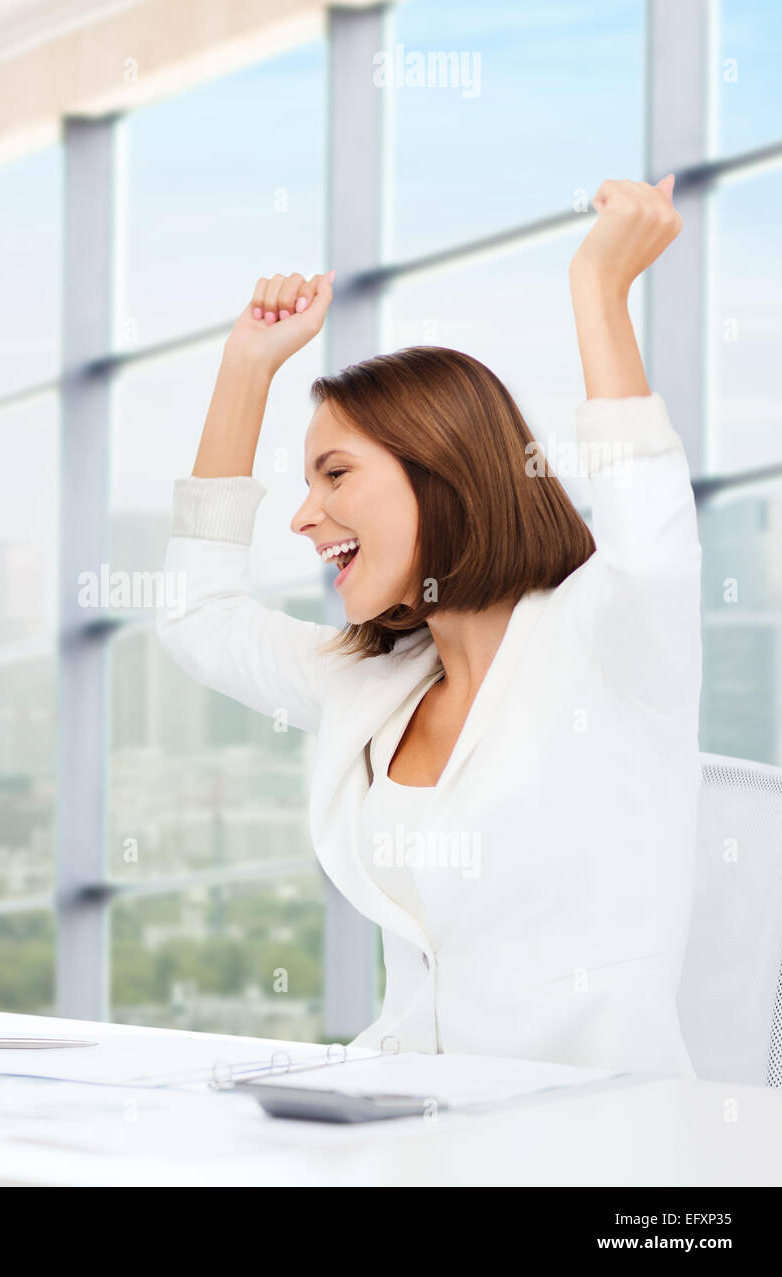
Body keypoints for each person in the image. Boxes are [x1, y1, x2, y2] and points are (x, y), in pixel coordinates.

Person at [156, 176, 701, 1077]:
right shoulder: (372, 684)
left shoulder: (611, 639)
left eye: (334, 475)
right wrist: (246, 369)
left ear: (440, 471)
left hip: (604, 1148)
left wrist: (599, 291)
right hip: (411, 1122)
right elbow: (198, 617)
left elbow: (650, 526)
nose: (303, 516)